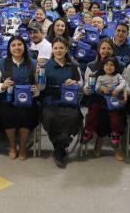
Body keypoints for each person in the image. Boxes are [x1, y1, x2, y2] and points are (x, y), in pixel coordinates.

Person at [0, 36, 39, 160]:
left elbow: (40, 84)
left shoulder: (33, 63)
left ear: (24, 47)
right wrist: (3, 85)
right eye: (13, 45)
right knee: (7, 113)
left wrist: (35, 89)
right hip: (7, 99)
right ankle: (12, 146)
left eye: (19, 45)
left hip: (27, 100)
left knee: (27, 114)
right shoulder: (1, 63)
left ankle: (22, 147)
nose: (16, 48)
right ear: (9, 48)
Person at [40, 36, 82, 168]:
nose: (58, 50)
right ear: (52, 49)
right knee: (50, 116)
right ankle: (61, 146)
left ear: (67, 49)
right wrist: (39, 77)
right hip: (50, 101)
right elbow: (40, 87)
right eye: (56, 48)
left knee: (73, 116)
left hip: (69, 101)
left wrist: (76, 82)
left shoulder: (74, 66)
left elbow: (81, 83)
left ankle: (59, 145)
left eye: (61, 48)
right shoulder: (45, 66)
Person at [81, 56, 127, 161]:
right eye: (107, 65)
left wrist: (117, 89)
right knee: (94, 111)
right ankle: (88, 131)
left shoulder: (118, 76)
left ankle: (115, 134)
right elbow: (96, 89)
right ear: (103, 66)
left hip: (114, 100)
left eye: (112, 65)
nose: (109, 67)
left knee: (115, 116)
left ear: (115, 67)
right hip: (103, 100)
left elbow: (124, 83)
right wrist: (101, 88)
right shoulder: (100, 77)